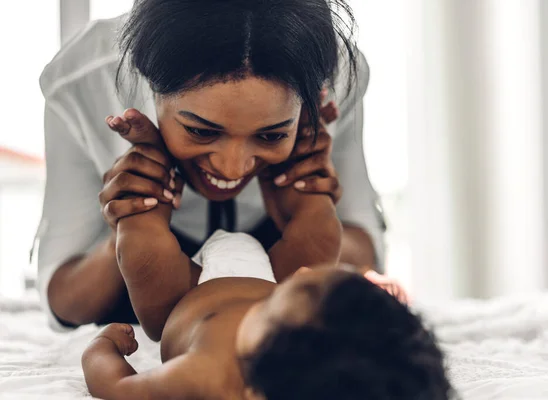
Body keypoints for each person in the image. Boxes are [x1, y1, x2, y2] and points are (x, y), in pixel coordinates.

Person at [37, 0, 388, 332]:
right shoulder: (80, 81)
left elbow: (367, 256)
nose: (233, 169)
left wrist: (309, 209)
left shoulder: (337, 74)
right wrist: (129, 227)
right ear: (148, 83)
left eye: (271, 136)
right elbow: (62, 303)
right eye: (201, 131)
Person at [82, 228, 451, 400]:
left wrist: (103, 346)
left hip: (190, 289)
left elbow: (116, 387)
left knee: (141, 236)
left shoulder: (204, 374)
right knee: (315, 225)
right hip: (260, 263)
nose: (303, 272)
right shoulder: (296, 350)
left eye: (275, 303)